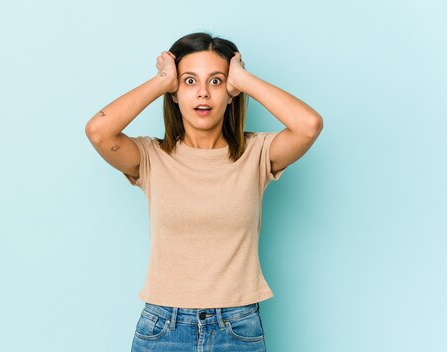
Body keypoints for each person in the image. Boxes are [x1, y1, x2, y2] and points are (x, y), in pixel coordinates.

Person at [84, 32, 323, 352]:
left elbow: (309, 125)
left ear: (231, 91)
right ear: (174, 92)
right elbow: (98, 131)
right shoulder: (150, 157)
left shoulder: (257, 153)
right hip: (163, 325)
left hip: (238, 327)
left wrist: (242, 78)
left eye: (215, 81)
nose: (202, 94)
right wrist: (162, 80)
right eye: (189, 81)